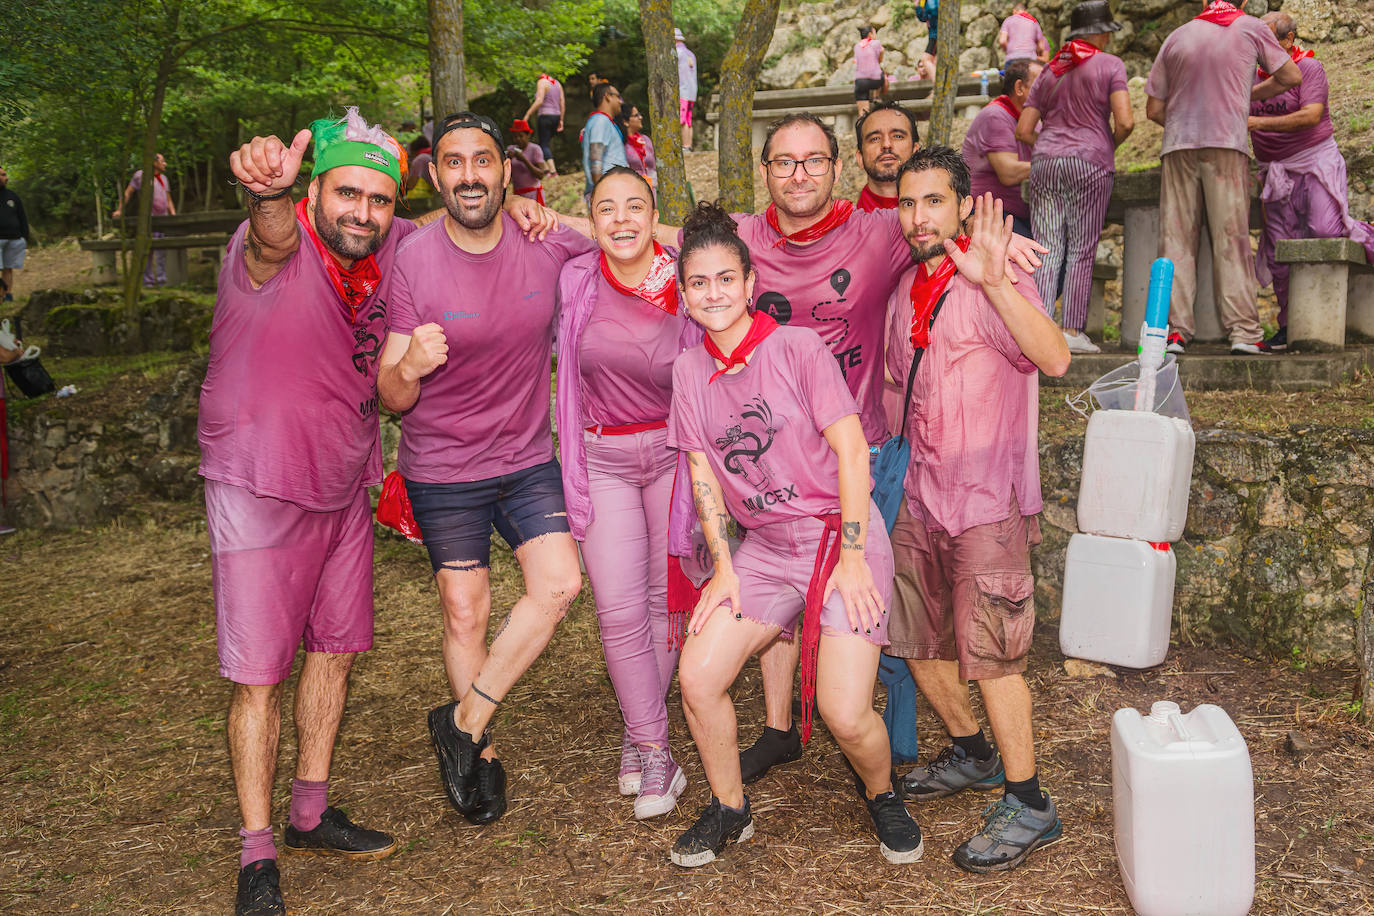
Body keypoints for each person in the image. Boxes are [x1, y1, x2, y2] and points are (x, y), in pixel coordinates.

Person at [700, 113, 1044, 786]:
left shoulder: (884, 238)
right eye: (783, 161)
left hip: (895, 467)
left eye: (813, 160)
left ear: (837, 169)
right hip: (803, 467)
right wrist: (546, 221)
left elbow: (1044, 346)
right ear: (765, 170)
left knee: (932, 629)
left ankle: (969, 771)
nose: (798, 173)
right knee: (885, 619)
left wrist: (998, 263)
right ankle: (798, 729)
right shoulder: (746, 238)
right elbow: (655, 238)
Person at [665, 201, 924, 868]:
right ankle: (730, 809)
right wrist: (723, 568)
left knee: (845, 712)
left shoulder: (798, 348)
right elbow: (702, 475)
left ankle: (880, 790)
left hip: (840, 542)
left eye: (726, 279)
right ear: (684, 293)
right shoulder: (689, 372)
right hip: (768, 551)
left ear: (750, 283)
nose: (713, 293)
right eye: (699, 283)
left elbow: (853, 453)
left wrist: (858, 558)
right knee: (697, 676)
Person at [201, 109, 413, 916]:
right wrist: (267, 193)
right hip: (259, 486)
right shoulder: (274, 250)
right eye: (346, 193)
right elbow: (270, 234)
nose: (363, 211)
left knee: (335, 651)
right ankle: (257, 857)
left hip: (343, 485)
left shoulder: (382, 259)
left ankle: (310, 812)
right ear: (314, 189)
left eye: (380, 199)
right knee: (259, 674)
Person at [376, 112, 596, 830]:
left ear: (506, 169)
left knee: (560, 583)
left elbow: (623, 238)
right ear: (434, 174)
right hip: (443, 465)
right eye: (453, 162)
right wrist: (409, 366)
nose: (468, 175)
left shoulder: (545, 239)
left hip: (528, 456)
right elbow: (391, 392)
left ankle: (462, 724)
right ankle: (485, 750)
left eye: (482, 161)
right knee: (464, 609)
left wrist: (553, 210)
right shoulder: (412, 256)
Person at [883, 146, 1070, 874]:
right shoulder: (906, 289)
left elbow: (1054, 359)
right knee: (915, 642)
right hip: (919, 497)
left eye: (933, 200)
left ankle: (1029, 803)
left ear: (964, 205)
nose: (918, 215)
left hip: (986, 501)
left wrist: (994, 285)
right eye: (907, 203)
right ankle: (972, 754)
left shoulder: (1000, 275)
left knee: (992, 655)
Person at [555, 167, 700, 818]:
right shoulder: (574, 279)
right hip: (602, 456)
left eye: (634, 206)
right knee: (617, 611)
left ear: (653, 215)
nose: (620, 219)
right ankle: (657, 751)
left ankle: (640, 736)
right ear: (590, 218)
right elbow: (522, 225)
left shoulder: (685, 279)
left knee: (663, 602)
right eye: (606, 208)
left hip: (672, 453)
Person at [1145, 0, 1299, 355]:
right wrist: (1244, 97)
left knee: (1175, 239)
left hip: (1179, 144)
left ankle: (1173, 333)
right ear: (1242, 1)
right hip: (1227, 142)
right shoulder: (1251, 27)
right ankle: (1243, 333)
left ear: (1203, 1)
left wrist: (1187, 118)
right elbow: (1291, 76)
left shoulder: (1177, 35)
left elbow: (1153, 108)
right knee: (1232, 238)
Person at [1249, 11, 1374, 351]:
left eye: (1269, 42)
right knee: (1278, 250)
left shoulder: (1308, 68)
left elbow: (1311, 115)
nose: (1261, 50)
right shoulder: (1251, 77)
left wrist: (1256, 125)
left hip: (1314, 162)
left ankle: (1363, 239)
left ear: (1289, 42)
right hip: (1274, 171)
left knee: (1324, 231)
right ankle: (1290, 325)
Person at [1017, 0, 1132, 354]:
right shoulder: (1111, 65)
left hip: (1046, 164)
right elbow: (1126, 121)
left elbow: (1024, 129)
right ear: (1098, 33)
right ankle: (1069, 331)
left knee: (1047, 249)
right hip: (1090, 164)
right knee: (1081, 250)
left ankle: (1039, 329)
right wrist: (1102, 148)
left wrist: (1052, 147)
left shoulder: (1051, 71)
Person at [965, 58, 1042, 240]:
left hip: (1020, 215)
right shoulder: (996, 116)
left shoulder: (1032, 123)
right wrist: (1055, 164)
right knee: (1043, 258)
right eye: (1042, 84)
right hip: (987, 214)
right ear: (1019, 88)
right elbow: (1008, 173)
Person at [113, 152, 176, 287]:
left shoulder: (163, 178)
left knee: (162, 250)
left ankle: (161, 280)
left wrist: (173, 214)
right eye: (162, 161)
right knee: (147, 250)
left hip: (163, 219)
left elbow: (168, 199)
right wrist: (119, 210)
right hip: (148, 220)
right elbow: (128, 192)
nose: (165, 164)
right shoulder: (140, 176)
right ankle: (147, 281)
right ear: (154, 162)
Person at [855, 102, 920, 213]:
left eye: (898, 136)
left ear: (915, 152)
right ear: (860, 158)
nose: (886, 144)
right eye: (875, 138)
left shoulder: (947, 218)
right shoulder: (846, 226)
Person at [582, 83, 628, 205]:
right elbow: (595, 159)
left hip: (612, 191)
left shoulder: (605, 121)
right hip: (607, 193)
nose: (621, 102)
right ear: (607, 96)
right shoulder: (600, 121)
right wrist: (601, 195)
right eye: (618, 97)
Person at [523, 73, 566, 171]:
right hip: (556, 116)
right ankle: (545, 168)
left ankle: (552, 171)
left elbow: (539, 100)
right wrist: (561, 120)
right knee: (545, 143)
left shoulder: (542, 82)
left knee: (544, 144)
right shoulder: (557, 83)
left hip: (545, 116)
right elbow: (562, 103)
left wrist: (528, 114)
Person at [0, 167, 29, 303]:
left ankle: (8, 296)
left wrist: (25, 236)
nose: (6, 178)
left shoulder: (12, 195)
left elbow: (22, 216)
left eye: (5, 174)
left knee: (8, 268)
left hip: (14, 239)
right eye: (3, 175)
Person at [506, 118, 549, 204]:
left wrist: (524, 160)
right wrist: (507, 160)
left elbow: (541, 175)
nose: (518, 139)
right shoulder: (511, 149)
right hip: (518, 195)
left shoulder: (535, 149)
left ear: (528, 135)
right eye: (515, 136)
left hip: (533, 195)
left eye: (521, 136)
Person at [619, 104, 659, 190]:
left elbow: (655, 167)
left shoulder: (646, 140)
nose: (641, 117)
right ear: (625, 122)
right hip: (632, 192)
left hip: (652, 190)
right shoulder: (621, 145)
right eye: (636, 115)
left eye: (639, 114)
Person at [854, 26, 885, 117]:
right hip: (876, 80)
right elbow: (879, 61)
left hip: (860, 81)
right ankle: (876, 96)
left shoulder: (857, 46)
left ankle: (862, 125)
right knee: (880, 72)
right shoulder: (876, 43)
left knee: (863, 112)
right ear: (870, 34)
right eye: (875, 33)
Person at [676, 29, 698, 150]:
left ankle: (685, 145)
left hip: (682, 90)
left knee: (683, 119)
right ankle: (688, 144)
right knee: (688, 119)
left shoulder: (678, 53)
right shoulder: (690, 54)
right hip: (691, 91)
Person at [914, 0, 939, 80]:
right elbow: (924, 17)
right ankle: (936, 87)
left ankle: (937, 86)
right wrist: (917, 6)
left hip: (936, 34)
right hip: (934, 34)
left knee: (926, 59)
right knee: (933, 61)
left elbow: (934, 12)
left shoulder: (932, 2)